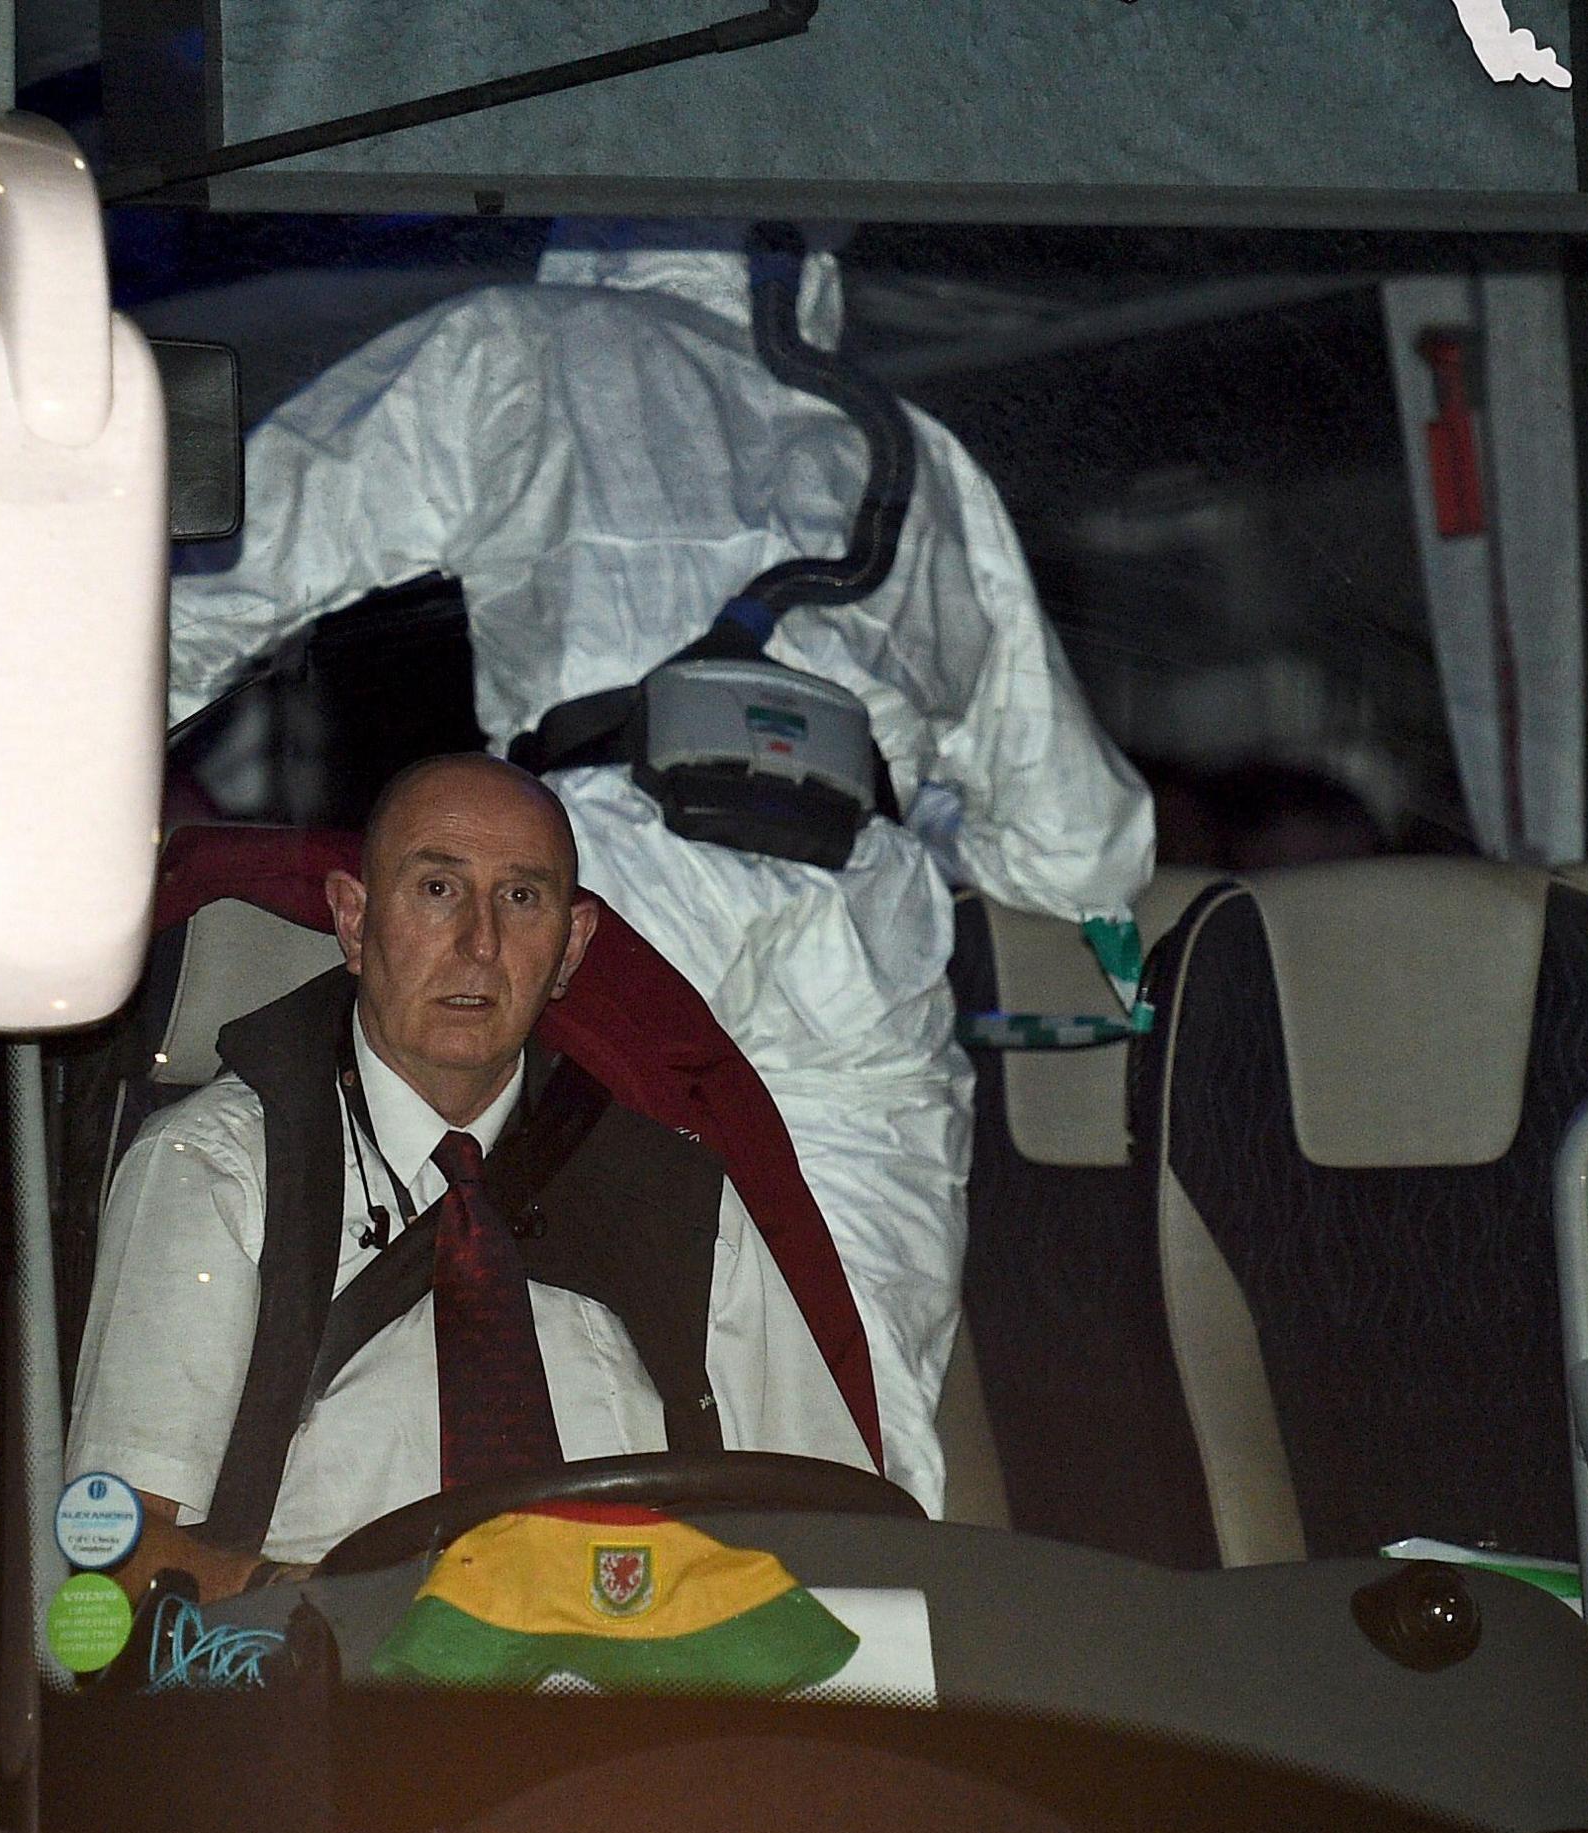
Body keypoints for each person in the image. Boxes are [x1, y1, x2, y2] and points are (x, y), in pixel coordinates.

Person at [168, 221, 1154, 1490]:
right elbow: (1081, 844)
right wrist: (929, 832)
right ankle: (849, 1674)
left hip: (619, 905)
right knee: (855, 1404)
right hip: (860, 940)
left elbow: (230, 572)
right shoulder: (909, 453)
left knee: (585, 1352)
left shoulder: (518, 350)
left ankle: (579, 1665)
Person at [67, 755, 889, 1596]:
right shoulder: (217, 1171)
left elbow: (841, 1545)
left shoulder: (679, 1202)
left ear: (571, 949)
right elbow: (113, 1558)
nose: (480, 943)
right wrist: (328, 1613)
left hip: (646, 1700)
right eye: (437, 890)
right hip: (328, 1699)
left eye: (522, 898)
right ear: (353, 920)